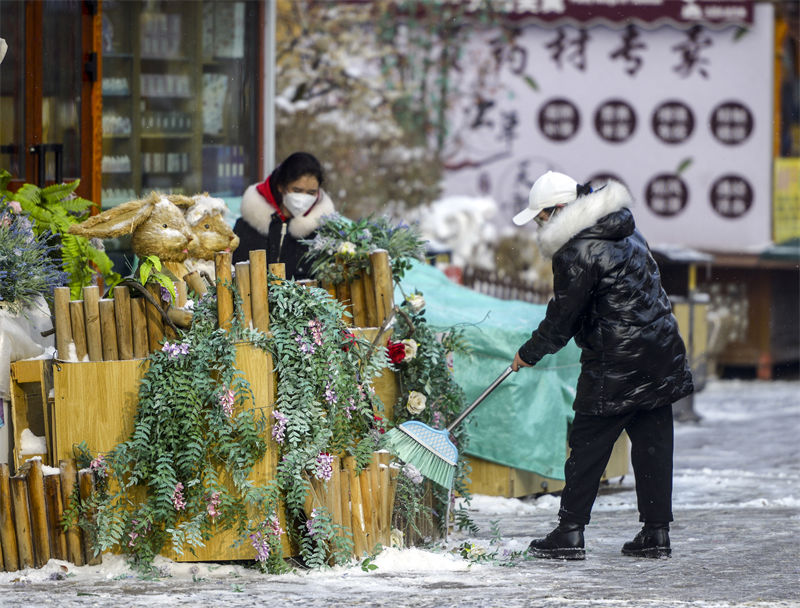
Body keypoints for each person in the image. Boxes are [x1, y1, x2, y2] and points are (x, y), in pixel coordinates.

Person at [511, 171, 693, 560]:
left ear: (560, 209)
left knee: (588, 445)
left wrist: (530, 352)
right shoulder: (626, 230)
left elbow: (564, 317)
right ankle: (656, 533)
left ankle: (569, 532)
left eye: (541, 216)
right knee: (653, 446)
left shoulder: (576, 249)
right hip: (659, 350)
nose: (540, 226)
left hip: (615, 361)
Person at [233, 151, 335, 279]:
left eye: (311, 192)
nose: (303, 197)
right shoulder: (247, 226)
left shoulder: (322, 235)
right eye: (297, 190)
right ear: (281, 186)